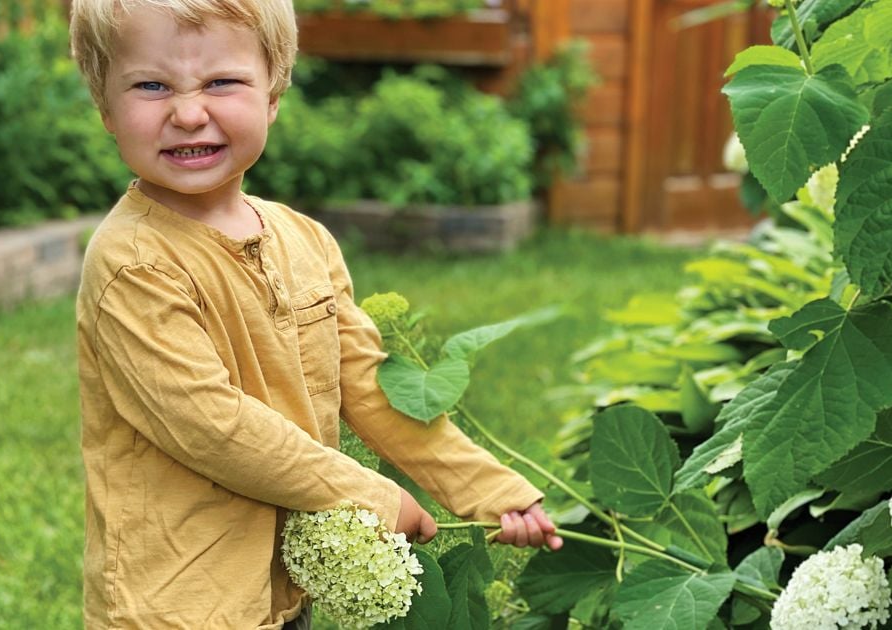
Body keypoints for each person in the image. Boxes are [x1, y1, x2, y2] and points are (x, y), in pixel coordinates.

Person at [68, 1, 563, 627]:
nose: (189, 113)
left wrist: (487, 488)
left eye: (222, 81)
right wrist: (372, 495)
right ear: (106, 107)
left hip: (282, 589)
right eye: (150, 85)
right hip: (179, 599)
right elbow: (211, 426)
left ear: (273, 92)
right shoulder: (133, 265)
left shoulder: (305, 241)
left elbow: (369, 387)